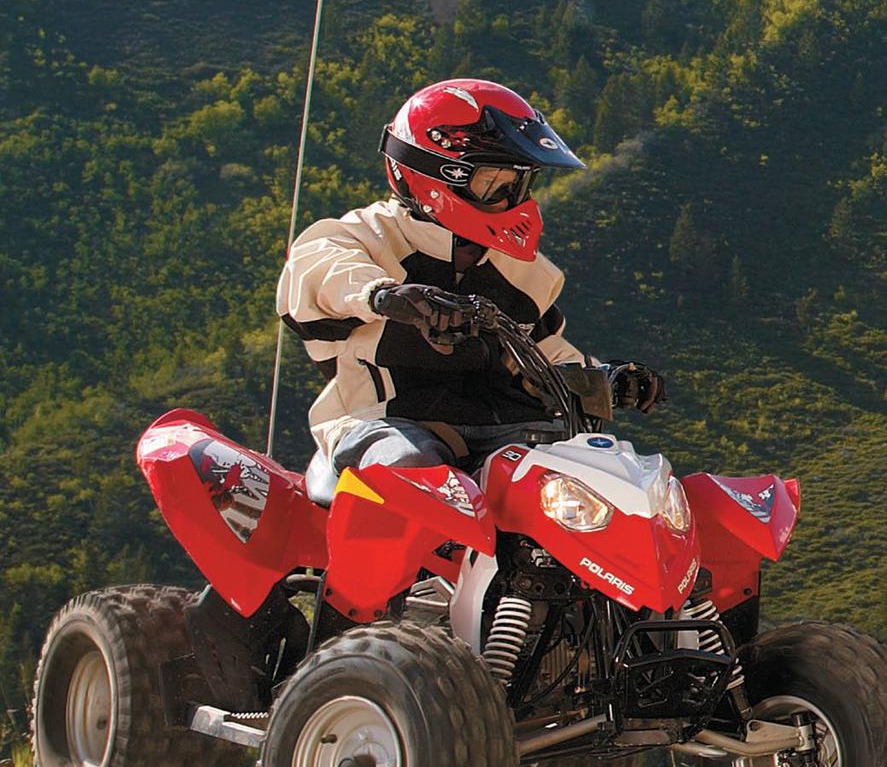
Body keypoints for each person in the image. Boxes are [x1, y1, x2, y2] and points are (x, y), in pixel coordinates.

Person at [276, 77, 665, 473]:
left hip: (505, 428)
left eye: (517, 184)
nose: (512, 199)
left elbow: (543, 350)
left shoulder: (524, 273)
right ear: (438, 178)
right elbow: (320, 270)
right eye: (493, 183)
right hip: (384, 422)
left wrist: (605, 377)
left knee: (607, 471)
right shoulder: (363, 237)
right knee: (412, 467)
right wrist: (386, 296)